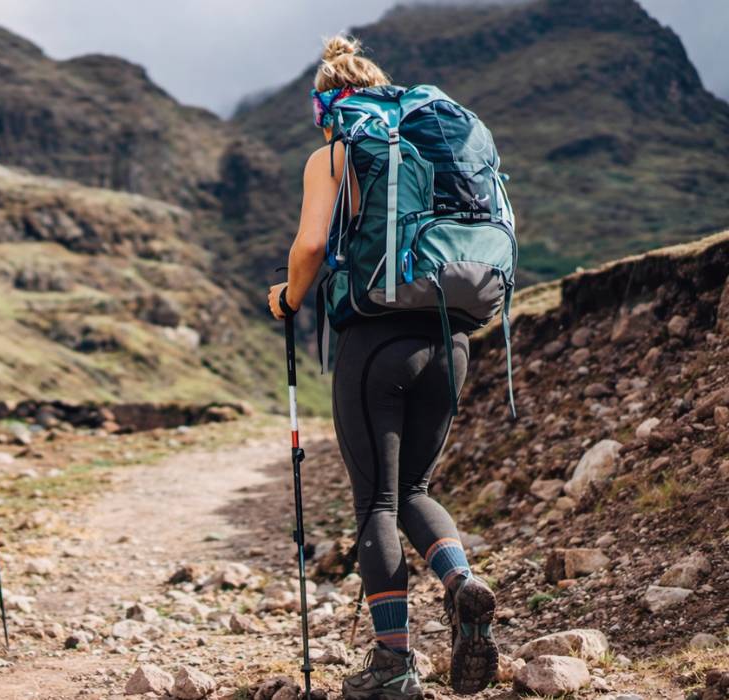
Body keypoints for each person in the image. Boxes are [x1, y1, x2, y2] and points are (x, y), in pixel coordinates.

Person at [267, 37, 499, 698]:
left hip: (376, 344)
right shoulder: (438, 150)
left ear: (327, 105)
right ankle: (460, 583)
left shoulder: (336, 153)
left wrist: (288, 299)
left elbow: (312, 242)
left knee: (377, 501)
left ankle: (394, 662)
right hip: (452, 341)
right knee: (419, 489)